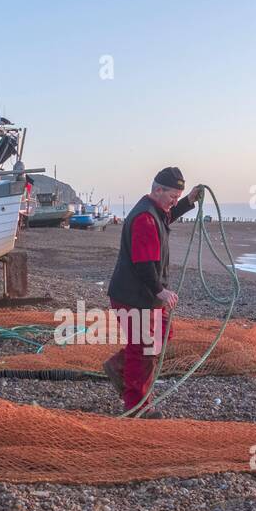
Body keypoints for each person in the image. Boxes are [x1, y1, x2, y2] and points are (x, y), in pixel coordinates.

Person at [103, 167, 203, 416]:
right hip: (133, 296)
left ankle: (118, 366)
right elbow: (143, 263)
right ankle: (137, 406)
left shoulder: (157, 211)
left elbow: (167, 217)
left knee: (160, 337)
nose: (175, 201)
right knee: (144, 349)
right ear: (158, 190)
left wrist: (189, 201)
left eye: (179, 197)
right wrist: (160, 291)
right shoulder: (144, 219)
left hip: (146, 294)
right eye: (173, 196)